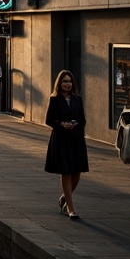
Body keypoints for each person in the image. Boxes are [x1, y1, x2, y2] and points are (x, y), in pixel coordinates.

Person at [43, 70, 88, 220]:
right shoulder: (54, 99)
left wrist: (75, 125)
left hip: (76, 139)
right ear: (59, 83)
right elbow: (49, 120)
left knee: (77, 172)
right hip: (61, 138)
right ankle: (71, 208)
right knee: (66, 172)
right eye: (64, 81)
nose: (67, 84)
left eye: (69, 81)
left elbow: (83, 120)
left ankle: (64, 197)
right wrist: (61, 124)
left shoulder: (78, 99)